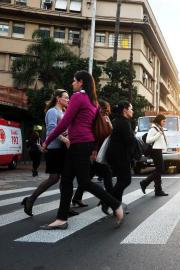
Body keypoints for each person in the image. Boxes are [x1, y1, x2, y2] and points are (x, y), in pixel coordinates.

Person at [40, 70, 124, 230]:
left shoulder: (78, 97)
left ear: (81, 82)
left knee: (83, 181)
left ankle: (115, 204)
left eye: (74, 81)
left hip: (78, 144)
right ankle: (61, 218)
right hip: (84, 143)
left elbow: (64, 123)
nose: (72, 84)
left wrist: (47, 141)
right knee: (66, 180)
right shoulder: (93, 101)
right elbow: (88, 126)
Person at [21, 89, 73, 216]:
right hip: (54, 149)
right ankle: (30, 199)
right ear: (58, 98)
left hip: (63, 149)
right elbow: (51, 130)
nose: (68, 100)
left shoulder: (65, 111)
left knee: (67, 178)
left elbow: (63, 129)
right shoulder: (52, 111)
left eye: (68, 98)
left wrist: (67, 134)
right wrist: (65, 138)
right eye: (66, 97)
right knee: (54, 178)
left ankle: (65, 207)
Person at [72, 100, 114, 209]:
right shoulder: (98, 118)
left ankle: (77, 198)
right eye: (106, 108)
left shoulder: (105, 118)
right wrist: (94, 151)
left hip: (101, 151)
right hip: (96, 152)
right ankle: (110, 201)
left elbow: (110, 133)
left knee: (88, 177)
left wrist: (109, 123)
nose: (108, 111)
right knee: (107, 175)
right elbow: (97, 134)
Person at [106, 101, 136, 203]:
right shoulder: (124, 122)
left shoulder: (115, 120)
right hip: (122, 156)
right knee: (126, 180)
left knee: (120, 180)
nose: (133, 111)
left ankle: (116, 205)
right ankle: (109, 201)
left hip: (115, 155)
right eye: (131, 109)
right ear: (125, 110)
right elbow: (128, 141)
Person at [139, 114, 169, 196]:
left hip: (158, 150)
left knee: (158, 170)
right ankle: (144, 182)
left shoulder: (159, 128)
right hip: (155, 151)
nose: (164, 123)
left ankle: (158, 190)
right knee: (160, 169)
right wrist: (158, 134)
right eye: (163, 121)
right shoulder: (153, 129)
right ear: (159, 120)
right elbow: (148, 140)